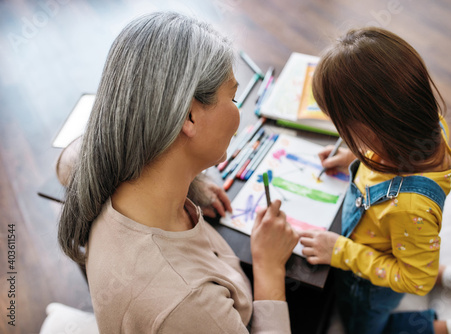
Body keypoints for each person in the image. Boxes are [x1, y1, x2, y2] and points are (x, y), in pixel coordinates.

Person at [57, 12, 299, 333]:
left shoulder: (101, 173)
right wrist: (269, 269)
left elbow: (68, 158)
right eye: (234, 97)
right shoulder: (188, 304)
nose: (239, 112)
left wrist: (193, 182)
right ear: (189, 117)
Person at [298, 27, 451, 334]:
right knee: (420, 261)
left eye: (345, 129)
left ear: (373, 131)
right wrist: (355, 157)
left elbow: (415, 279)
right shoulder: (427, 128)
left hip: (372, 285)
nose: (343, 137)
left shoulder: (409, 207)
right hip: (403, 245)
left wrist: (339, 251)